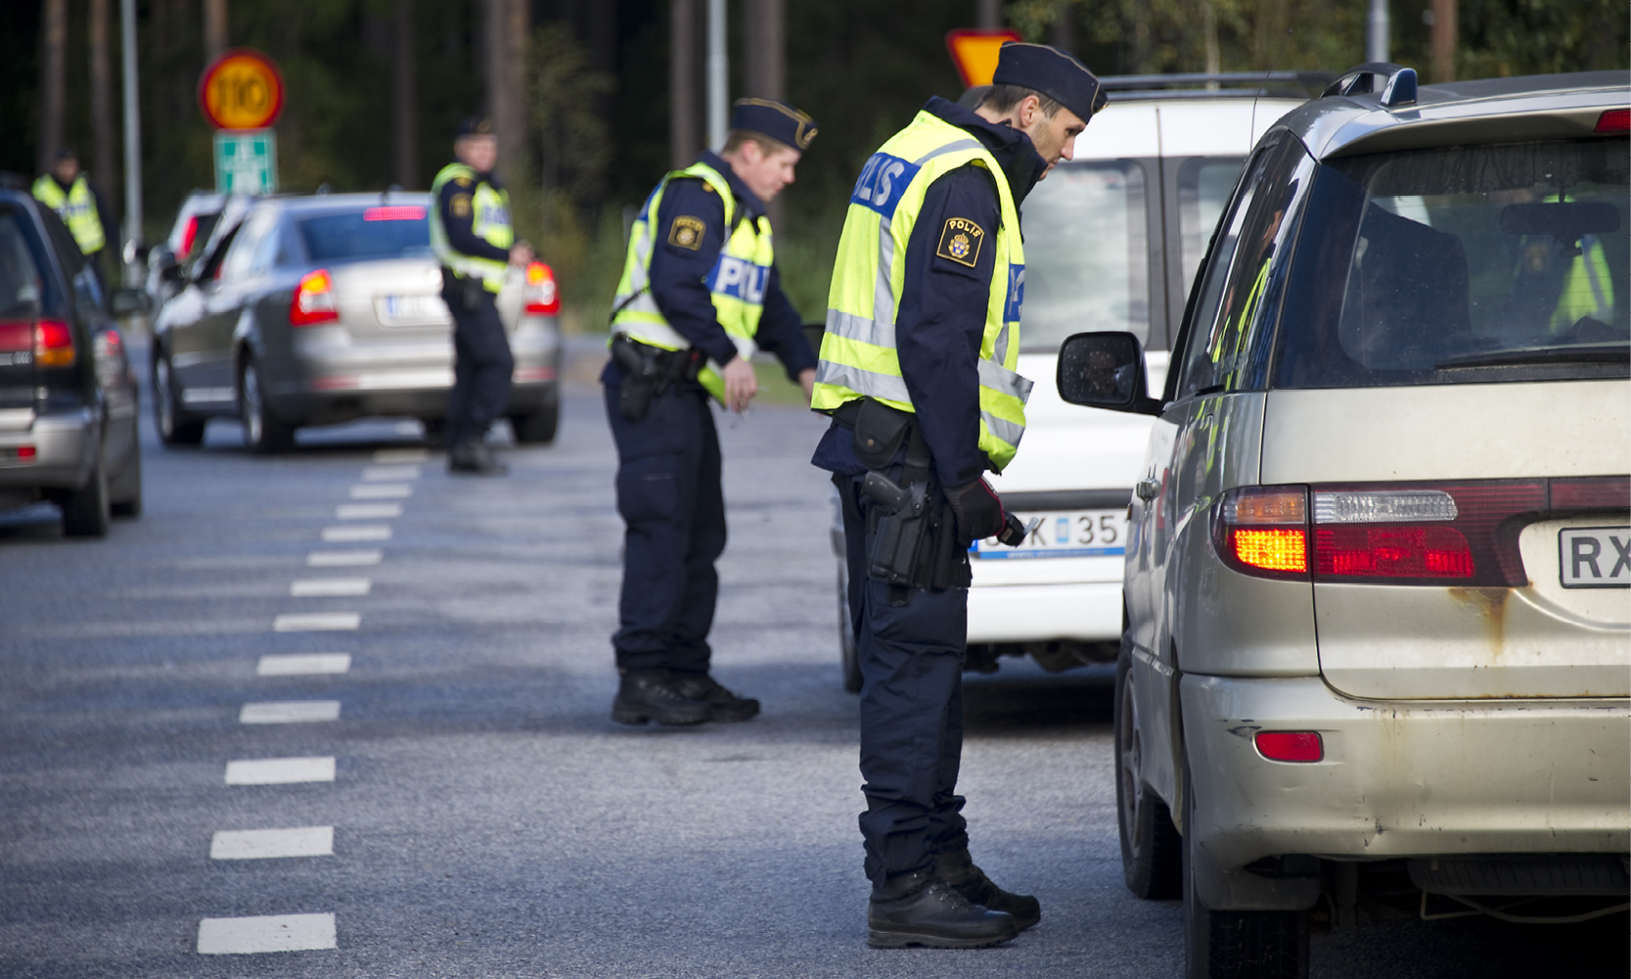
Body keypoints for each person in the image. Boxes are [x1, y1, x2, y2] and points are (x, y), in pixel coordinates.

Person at [809, 42, 1105, 949]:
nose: (1067, 151)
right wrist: (958, 474)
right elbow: (934, 339)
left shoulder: (914, 149)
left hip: (889, 450)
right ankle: (905, 885)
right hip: (910, 460)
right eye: (1067, 129)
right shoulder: (964, 180)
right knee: (912, 677)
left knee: (929, 674)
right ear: (1026, 110)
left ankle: (941, 860)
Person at [604, 98, 819, 726]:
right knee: (662, 530)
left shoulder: (748, 220)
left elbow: (770, 305)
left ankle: (685, 672)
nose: (789, 176)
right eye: (784, 163)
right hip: (651, 386)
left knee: (701, 534)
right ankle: (642, 676)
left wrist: (804, 367)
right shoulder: (698, 196)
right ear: (748, 152)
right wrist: (728, 357)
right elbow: (675, 285)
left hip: (681, 393)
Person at [428, 117, 534, 475]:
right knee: (499, 363)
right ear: (460, 149)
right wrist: (507, 255)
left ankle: (460, 446)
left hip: (480, 288)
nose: (485, 153)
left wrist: (516, 246)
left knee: (471, 368)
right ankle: (473, 439)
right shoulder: (458, 183)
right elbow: (460, 236)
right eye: (476, 146)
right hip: (467, 287)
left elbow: (490, 231)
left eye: (489, 146)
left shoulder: (487, 186)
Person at [32, 147, 118, 297]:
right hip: (58, 257)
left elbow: (106, 219)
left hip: (89, 257)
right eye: (64, 165)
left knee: (100, 297)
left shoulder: (87, 188)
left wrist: (115, 248)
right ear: (55, 166)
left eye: (71, 165)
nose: (69, 170)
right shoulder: (41, 190)